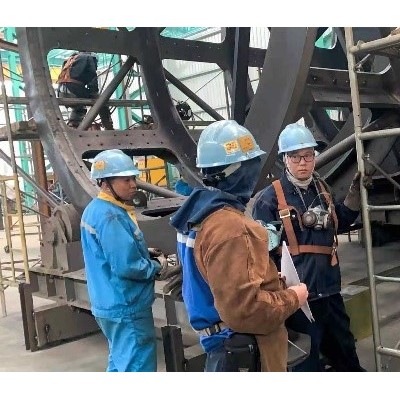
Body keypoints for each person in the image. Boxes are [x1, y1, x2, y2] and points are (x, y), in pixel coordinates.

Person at [169, 120, 309, 372]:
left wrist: (266, 278)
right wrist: (293, 297)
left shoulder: (196, 215)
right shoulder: (230, 227)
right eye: (252, 164)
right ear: (239, 170)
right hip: (242, 346)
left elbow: (212, 277)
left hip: (218, 341)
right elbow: (246, 311)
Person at [252, 123, 365, 372]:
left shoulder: (322, 191)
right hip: (298, 299)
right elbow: (262, 255)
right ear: (284, 159)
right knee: (306, 363)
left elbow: (338, 223)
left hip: (330, 291)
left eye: (308, 155)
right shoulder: (269, 199)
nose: (303, 162)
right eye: (295, 156)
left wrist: (354, 197)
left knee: (346, 354)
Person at [80, 149, 174, 372]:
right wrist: (157, 266)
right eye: (126, 180)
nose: (134, 185)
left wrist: (142, 250)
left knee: (120, 361)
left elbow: (106, 251)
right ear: (105, 183)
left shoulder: (95, 210)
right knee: (137, 366)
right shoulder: (111, 216)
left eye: (133, 178)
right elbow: (127, 266)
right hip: (127, 305)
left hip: (107, 303)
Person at [57, 52, 114, 130]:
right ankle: (108, 126)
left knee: (79, 107)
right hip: (74, 90)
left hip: (61, 91)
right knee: (101, 100)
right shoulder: (89, 58)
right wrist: (94, 92)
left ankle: (73, 125)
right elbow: (92, 77)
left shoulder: (70, 59)